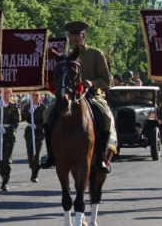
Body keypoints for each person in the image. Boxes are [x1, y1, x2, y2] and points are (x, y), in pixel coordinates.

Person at [41, 21, 115, 174]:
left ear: (84, 36)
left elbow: (106, 81)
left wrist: (91, 83)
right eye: (72, 35)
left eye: (78, 35)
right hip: (70, 95)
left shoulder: (95, 54)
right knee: (47, 113)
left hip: (92, 94)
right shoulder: (64, 57)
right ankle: (50, 155)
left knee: (106, 117)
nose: (75, 38)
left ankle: (101, 156)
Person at [0, 89, 20, 191]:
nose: (6, 95)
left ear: (11, 95)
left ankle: (5, 181)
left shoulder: (14, 107)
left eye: (7, 93)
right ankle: (3, 174)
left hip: (9, 134)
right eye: (4, 93)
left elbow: (16, 122)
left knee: (7, 159)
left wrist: (8, 129)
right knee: (0, 159)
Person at [22, 92, 46, 183]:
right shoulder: (27, 107)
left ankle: (35, 173)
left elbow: (46, 123)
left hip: (39, 133)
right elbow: (22, 118)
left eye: (37, 95)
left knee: (37, 153)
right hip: (29, 133)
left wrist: (37, 126)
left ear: (40, 96)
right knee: (30, 153)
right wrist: (28, 112)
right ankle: (33, 168)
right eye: (33, 95)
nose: (35, 97)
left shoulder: (43, 108)